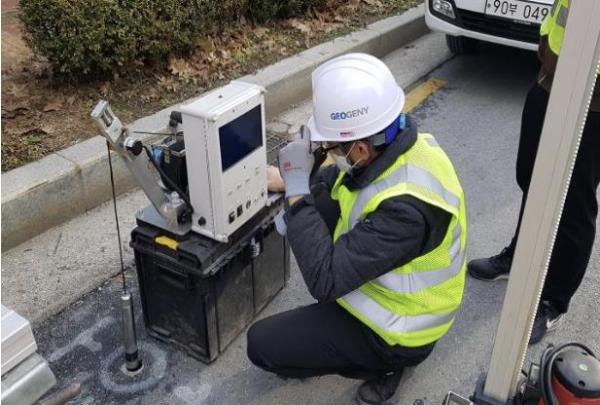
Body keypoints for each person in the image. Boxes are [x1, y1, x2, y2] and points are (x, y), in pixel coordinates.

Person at [246, 53, 468, 405]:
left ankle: (388, 365)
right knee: (322, 199)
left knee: (262, 344)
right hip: (388, 280)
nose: (327, 152)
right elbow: (338, 182)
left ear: (361, 148)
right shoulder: (400, 145)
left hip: (402, 330)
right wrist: (291, 179)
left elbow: (325, 281)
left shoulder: (406, 212)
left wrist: (297, 192)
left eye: (331, 147)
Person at [468, 0, 600, 344]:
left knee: (575, 203)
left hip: (594, 99)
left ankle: (554, 300)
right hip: (551, 76)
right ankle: (521, 256)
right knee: (531, 178)